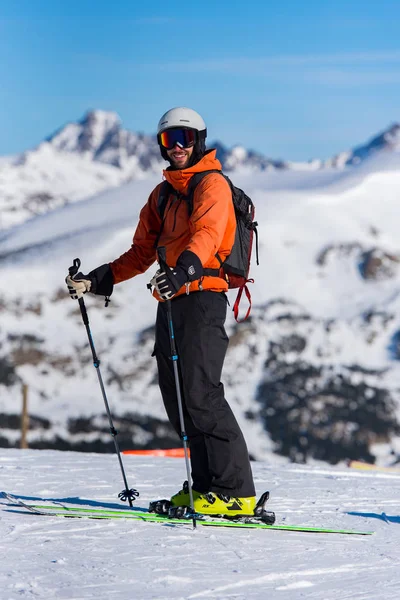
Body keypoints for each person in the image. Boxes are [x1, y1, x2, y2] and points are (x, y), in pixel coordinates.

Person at [65, 107, 256, 516]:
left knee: (202, 394)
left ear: (200, 139)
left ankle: (235, 491)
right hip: (170, 301)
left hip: (203, 297)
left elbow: (207, 235)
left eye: (186, 138)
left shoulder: (212, 185)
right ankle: (207, 488)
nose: (179, 147)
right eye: (170, 140)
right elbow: (140, 253)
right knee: (179, 400)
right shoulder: (163, 194)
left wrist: (183, 271)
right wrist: (97, 280)